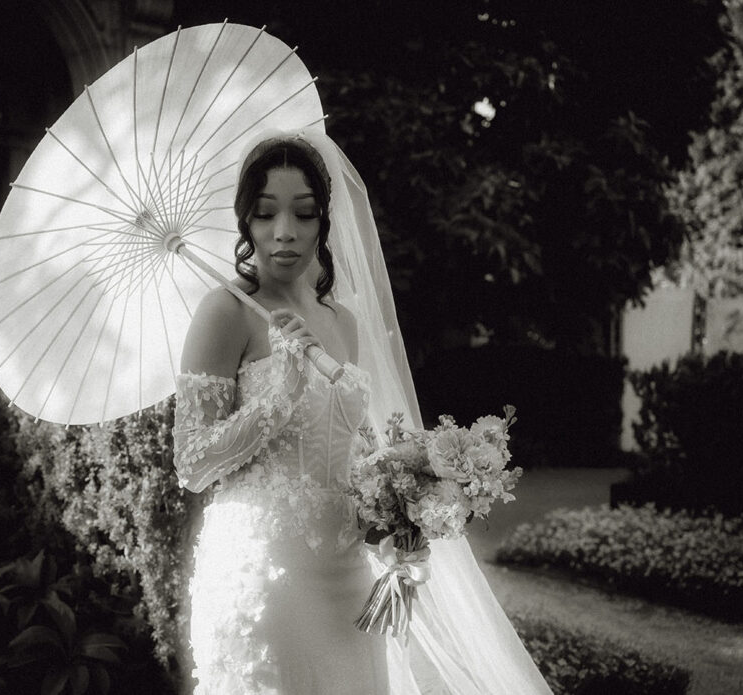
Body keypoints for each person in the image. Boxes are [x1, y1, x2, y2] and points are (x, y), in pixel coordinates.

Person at [172, 131, 552, 694]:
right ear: (244, 224)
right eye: (265, 214)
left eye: (303, 214)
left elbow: (350, 451)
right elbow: (192, 462)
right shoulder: (223, 312)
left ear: (324, 221)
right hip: (266, 573)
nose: (284, 233)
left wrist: (404, 507)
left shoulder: (342, 321)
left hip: (348, 575)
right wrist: (282, 395)